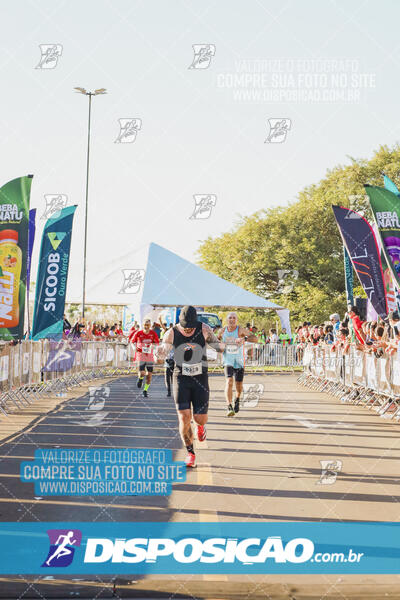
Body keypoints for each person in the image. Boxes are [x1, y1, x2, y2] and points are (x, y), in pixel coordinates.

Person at [157, 305, 225, 467]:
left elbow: (218, 347)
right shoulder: (171, 332)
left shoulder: (204, 329)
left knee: (199, 418)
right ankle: (190, 453)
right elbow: (163, 351)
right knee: (184, 416)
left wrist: (231, 344)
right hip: (181, 377)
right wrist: (159, 355)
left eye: (191, 327)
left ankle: (201, 427)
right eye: (185, 327)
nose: (188, 330)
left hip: (200, 377)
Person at [218, 312, 258, 416]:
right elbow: (216, 341)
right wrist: (220, 346)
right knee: (229, 381)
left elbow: (255, 338)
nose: (232, 320)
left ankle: (237, 399)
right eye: (230, 318)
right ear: (227, 320)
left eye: (234, 318)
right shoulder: (222, 331)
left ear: (237, 320)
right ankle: (229, 406)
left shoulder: (240, 330)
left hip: (239, 361)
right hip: (228, 361)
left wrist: (244, 339)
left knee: (238, 385)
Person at [131, 319, 160, 397]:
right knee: (142, 373)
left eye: (148, 325)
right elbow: (132, 341)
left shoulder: (153, 333)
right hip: (141, 355)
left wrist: (153, 346)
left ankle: (145, 390)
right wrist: (134, 347)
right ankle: (140, 379)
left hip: (149, 356)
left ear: (150, 326)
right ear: (142, 325)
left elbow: (157, 343)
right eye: (145, 325)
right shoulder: (138, 333)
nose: (146, 327)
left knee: (149, 375)